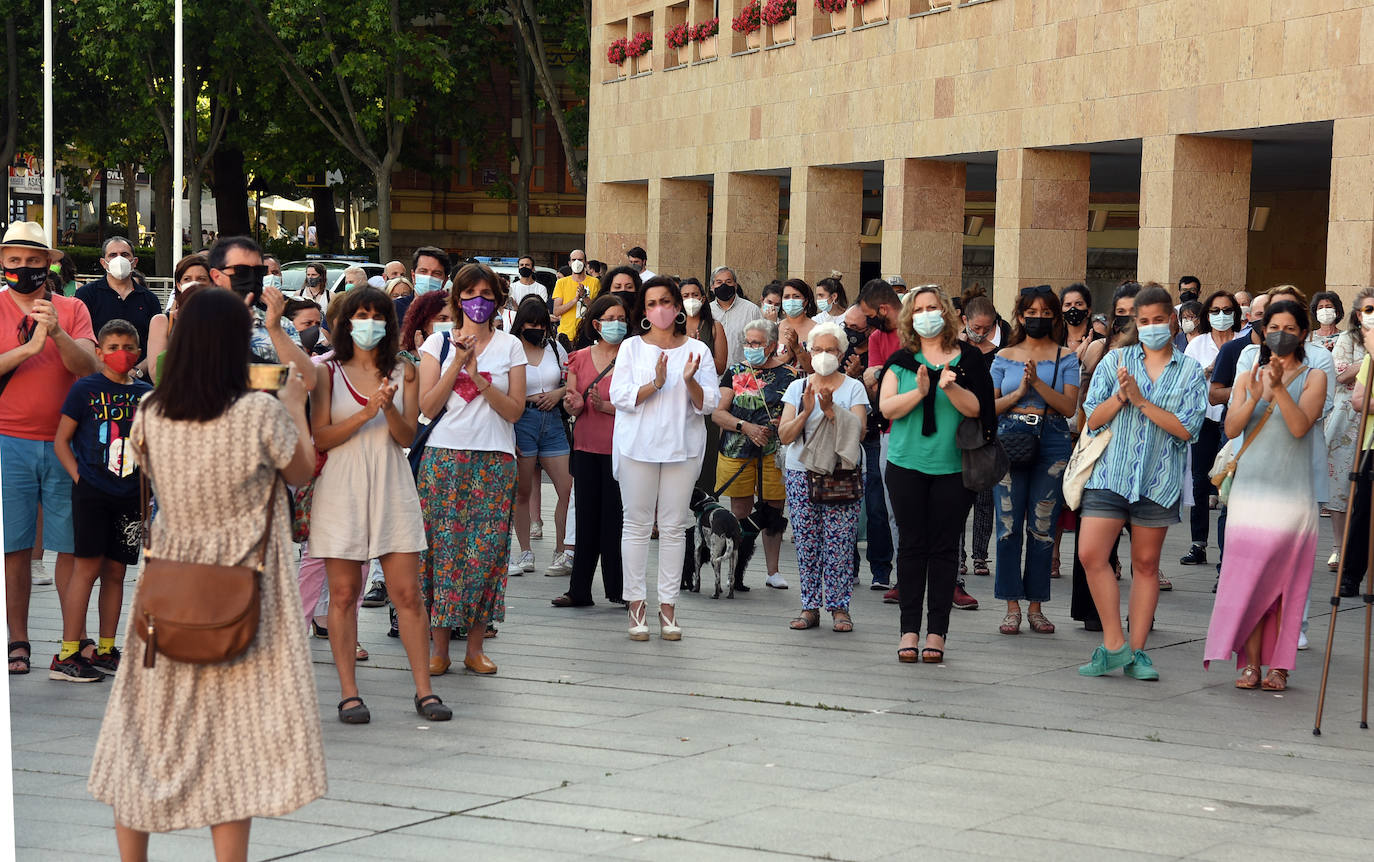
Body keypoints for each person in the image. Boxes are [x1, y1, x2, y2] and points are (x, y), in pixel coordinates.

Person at [88, 287, 325, 859]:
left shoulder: (151, 413)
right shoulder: (259, 413)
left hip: (168, 590)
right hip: (244, 590)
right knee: (233, 742)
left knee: (143, 735)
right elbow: (300, 471)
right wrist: (294, 402)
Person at [307, 286, 450, 722]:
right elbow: (321, 437)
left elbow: (408, 436)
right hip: (341, 484)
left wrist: (386, 411)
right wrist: (365, 413)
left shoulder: (404, 369)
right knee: (345, 593)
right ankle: (349, 693)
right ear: (346, 321)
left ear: (389, 322)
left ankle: (424, 690)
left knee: (407, 593)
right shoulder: (326, 371)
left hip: (391, 481)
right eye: (361, 314)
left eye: (377, 315)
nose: (369, 322)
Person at [1076, 284, 1206, 681]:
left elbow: (1187, 429)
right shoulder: (1116, 359)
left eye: (1157, 320)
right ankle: (1115, 644)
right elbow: (1091, 418)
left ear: (1171, 319)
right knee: (1091, 555)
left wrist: (1143, 401)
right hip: (1109, 475)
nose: (1150, 327)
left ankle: (1137, 652)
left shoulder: (1189, 370)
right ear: (1136, 322)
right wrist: (1121, 397)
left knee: (1146, 565)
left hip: (1158, 479)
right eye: (1143, 321)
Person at [1207, 299, 1324, 690]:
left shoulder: (1314, 378)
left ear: (1304, 334)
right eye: (1275, 327)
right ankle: (1252, 664)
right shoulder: (1246, 376)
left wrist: (1279, 390)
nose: (1282, 335)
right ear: (1262, 331)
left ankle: (1280, 665)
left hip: (1292, 499)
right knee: (1249, 581)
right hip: (1250, 497)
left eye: (1291, 328)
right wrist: (1257, 393)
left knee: (1286, 585)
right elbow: (1232, 428)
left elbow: (1298, 427)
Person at [416, 263, 526, 676]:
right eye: (469, 294)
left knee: (487, 552)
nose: (478, 302)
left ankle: (475, 646)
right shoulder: (436, 343)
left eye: (486, 294)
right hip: (444, 457)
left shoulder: (510, 346)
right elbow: (426, 407)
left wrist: (479, 378)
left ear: (497, 300)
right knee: (441, 552)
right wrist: (456, 364)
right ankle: (439, 647)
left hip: (495, 459)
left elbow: (515, 410)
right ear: (456, 298)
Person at [2, 222, 99, 676]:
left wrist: (56, 334)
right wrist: (29, 349)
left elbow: (88, 365)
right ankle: (17, 641)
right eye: (14, 260)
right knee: (15, 549)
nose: (23, 268)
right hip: (8, 442)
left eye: (32, 260)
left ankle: (71, 644)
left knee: (72, 548)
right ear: (3, 263)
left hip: (65, 444)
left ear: (48, 263)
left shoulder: (73, 307)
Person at [878, 284, 994, 664]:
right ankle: (908, 630)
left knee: (944, 550)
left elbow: (979, 409)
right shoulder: (901, 360)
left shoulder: (969, 360)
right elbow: (886, 409)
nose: (927, 314)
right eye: (919, 308)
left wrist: (952, 386)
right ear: (910, 317)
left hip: (953, 467)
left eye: (933, 307)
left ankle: (936, 633)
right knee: (911, 547)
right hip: (906, 465)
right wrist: (921, 391)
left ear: (946, 313)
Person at [609, 276, 720, 640]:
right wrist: (654, 384)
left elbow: (708, 404)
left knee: (674, 526)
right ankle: (636, 605)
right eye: (653, 303)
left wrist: (688, 381)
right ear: (644, 310)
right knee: (637, 525)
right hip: (638, 446)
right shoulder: (630, 348)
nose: (661, 309)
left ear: (678, 307)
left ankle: (668, 607)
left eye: (667, 302)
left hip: (682, 447)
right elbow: (621, 397)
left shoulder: (698, 351)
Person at [49, 319, 151, 681]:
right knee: (87, 569)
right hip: (92, 492)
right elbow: (62, 440)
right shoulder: (86, 390)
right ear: (99, 352)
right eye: (112, 348)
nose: (120, 355)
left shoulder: (145, 394)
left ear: (138, 353)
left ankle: (107, 648)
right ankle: (67, 653)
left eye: (127, 348)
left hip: (131, 496)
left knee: (117, 571)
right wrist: (80, 477)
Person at [989, 286, 1080, 635]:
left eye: (1045, 312)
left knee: (1043, 526)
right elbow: (988, 406)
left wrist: (1038, 384)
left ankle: (1037, 606)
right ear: (1020, 314)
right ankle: (1011, 606)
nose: (1037, 318)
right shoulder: (1003, 356)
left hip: (1052, 438)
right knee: (1008, 525)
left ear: (1054, 316)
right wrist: (1016, 394)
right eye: (1031, 311)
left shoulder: (1066, 357)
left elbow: (1069, 407)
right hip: (1009, 435)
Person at [777, 323, 869, 632]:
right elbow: (785, 434)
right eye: (818, 350)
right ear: (809, 352)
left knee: (840, 540)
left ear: (841, 353)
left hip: (841, 473)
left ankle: (839, 607)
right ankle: (809, 605)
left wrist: (831, 411)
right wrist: (806, 412)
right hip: (802, 472)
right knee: (806, 540)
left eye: (830, 350)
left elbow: (860, 431)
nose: (824, 355)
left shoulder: (853, 387)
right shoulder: (797, 387)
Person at [712, 318, 798, 590]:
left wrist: (782, 422)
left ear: (771, 345)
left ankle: (773, 571)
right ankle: (736, 572)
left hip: (774, 452)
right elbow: (718, 412)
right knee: (740, 510)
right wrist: (745, 427)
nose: (750, 347)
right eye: (747, 342)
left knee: (774, 510)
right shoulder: (735, 371)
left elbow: (797, 409)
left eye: (756, 343)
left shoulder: (791, 374)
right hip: (738, 450)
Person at [554, 294, 627, 608]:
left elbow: (640, 403)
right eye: (610, 319)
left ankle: (620, 589)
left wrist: (606, 407)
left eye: (622, 318)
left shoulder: (633, 356)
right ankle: (579, 590)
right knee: (586, 517)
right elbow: (571, 400)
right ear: (596, 323)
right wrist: (575, 404)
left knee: (615, 521)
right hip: (584, 446)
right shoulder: (579, 357)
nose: (617, 324)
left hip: (620, 449)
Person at [509, 297, 575, 577]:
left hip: (553, 422)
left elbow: (570, 378)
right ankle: (525, 551)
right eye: (530, 323)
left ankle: (563, 549)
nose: (535, 328)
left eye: (540, 324)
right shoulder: (510, 348)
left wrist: (558, 394)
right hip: (523, 419)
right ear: (520, 324)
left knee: (567, 487)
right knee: (522, 491)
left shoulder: (553, 346)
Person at [1178, 291, 1243, 567]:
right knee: (1200, 480)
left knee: (1228, 480)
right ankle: (1198, 543)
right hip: (1203, 417)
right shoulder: (1197, 344)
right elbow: (1184, 380)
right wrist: (1209, 370)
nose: (1221, 315)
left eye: (1227, 310)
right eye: (1215, 310)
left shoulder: (1243, 342)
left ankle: (1229, 547)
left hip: (1233, 418)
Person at [842, 303, 894, 591]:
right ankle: (848, 566)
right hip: (846, 439)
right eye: (846, 326)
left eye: (855, 328)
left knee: (876, 505)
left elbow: (884, 405)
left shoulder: (880, 354)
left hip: (874, 435)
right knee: (846, 503)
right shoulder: (840, 353)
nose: (849, 333)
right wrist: (848, 378)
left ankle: (881, 568)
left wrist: (864, 380)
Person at [1325, 289, 1372, 572]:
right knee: (1341, 485)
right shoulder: (1347, 339)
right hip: (1346, 418)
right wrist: (1368, 360)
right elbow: (1339, 376)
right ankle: (1338, 547)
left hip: (1371, 422)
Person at [75, 236, 162, 378]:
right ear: (104, 263)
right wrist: (104, 371)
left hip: (138, 382)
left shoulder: (149, 299)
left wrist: (137, 371)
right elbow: (82, 340)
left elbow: (155, 345)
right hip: (98, 379)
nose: (119, 259)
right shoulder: (86, 295)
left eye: (125, 255)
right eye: (113, 255)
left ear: (134, 262)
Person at [958, 294, 1001, 581]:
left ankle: (980, 555)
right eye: (976, 327)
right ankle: (958, 555)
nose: (981, 333)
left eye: (987, 328)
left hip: (986, 426)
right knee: (958, 496)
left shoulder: (999, 351)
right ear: (965, 321)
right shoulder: (954, 349)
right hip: (959, 427)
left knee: (985, 496)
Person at [146, 254, 212, 379]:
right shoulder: (162, 321)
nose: (194, 283)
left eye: (201, 279)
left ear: (212, 283)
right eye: (187, 279)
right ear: (179, 285)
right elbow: (156, 373)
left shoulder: (221, 319)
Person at [709, 265, 761, 366]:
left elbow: (762, 340)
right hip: (714, 375)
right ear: (712, 287)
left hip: (744, 373)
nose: (724, 286)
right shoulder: (707, 311)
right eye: (719, 282)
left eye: (728, 282)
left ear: (735, 285)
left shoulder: (751, 310)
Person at [552, 249, 600, 344]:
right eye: (574, 260)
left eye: (580, 259)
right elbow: (556, 311)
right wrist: (575, 300)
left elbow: (597, 310)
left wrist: (584, 297)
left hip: (586, 335)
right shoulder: (561, 283)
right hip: (566, 336)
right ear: (569, 263)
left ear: (585, 263)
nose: (577, 262)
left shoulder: (595, 282)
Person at [776, 278, 818, 370]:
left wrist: (796, 348)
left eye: (796, 296)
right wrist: (787, 356)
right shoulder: (774, 328)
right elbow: (766, 364)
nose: (791, 300)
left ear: (805, 302)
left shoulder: (818, 330)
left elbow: (814, 369)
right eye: (787, 297)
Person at [601, 265, 643, 332]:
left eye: (629, 287)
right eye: (617, 287)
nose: (623, 290)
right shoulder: (599, 314)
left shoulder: (644, 318)